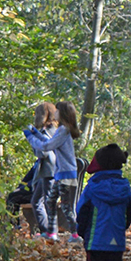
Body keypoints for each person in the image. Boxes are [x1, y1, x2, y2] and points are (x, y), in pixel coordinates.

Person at [75, 143, 131, 261]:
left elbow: (82, 211)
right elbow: (130, 210)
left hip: (95, 241)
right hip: (116, 240)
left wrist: (82, 232)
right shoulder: (125, 187)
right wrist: (122, 227)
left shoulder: (92, 187)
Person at [22, 103, 61, 237]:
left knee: (44, 202)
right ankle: (47, 230)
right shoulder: (56, 130)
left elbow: (43, 153)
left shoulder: (46, 132)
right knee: (38, 201)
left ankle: (50, 232)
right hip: (52, 170)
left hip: (49, 171)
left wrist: (32, 141)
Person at [47, 101, 83, 240]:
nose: (54, 112)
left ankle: (75, 234)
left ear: (62, 113)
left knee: (65, 206)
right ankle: (52, 232)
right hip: (61, 173)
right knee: (51, 201)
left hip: (66, 174)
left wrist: (32, 136)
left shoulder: (63, 130)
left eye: (56, 110)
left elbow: (49, 145)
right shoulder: (63, 129)